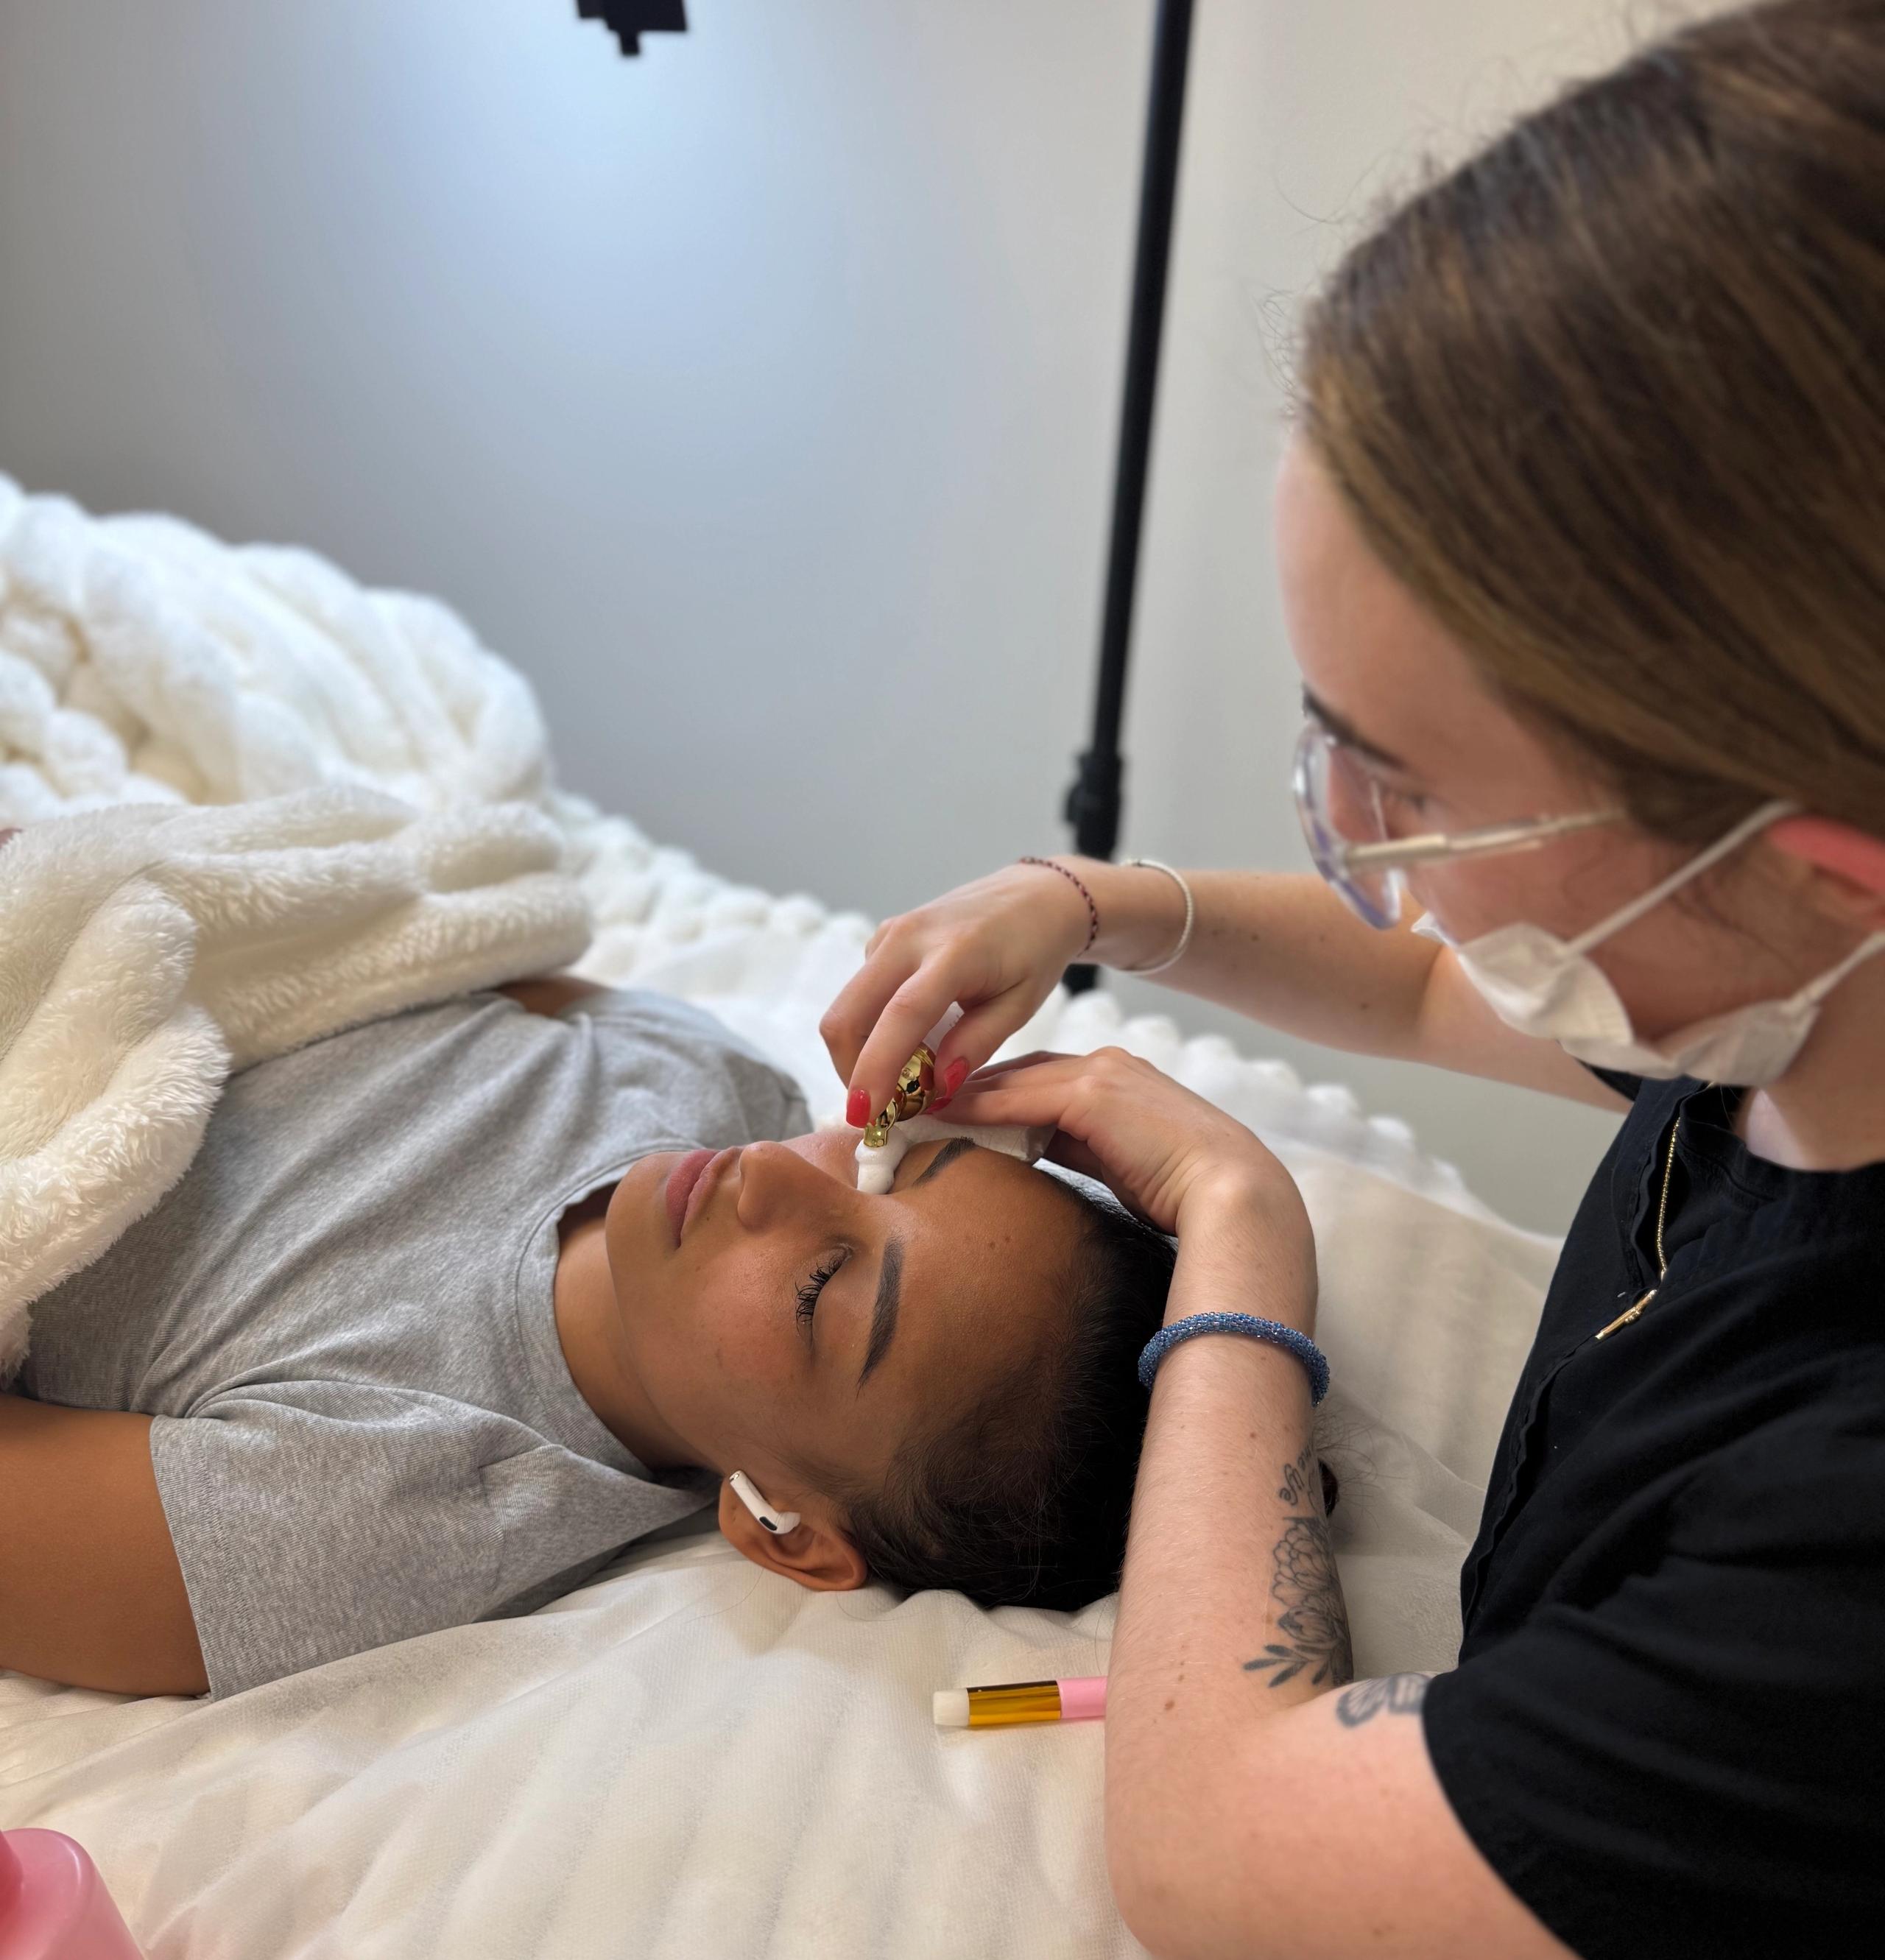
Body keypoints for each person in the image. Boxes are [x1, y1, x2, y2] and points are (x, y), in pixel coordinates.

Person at [822, 3, 1885, 1953]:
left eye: (1407, 790)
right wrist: (1096, 900)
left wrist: (1235, 1222)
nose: (1354, 838)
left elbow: (1214, 1851)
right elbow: (1417, 994)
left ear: (1815, 867)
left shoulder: (1836, 1562)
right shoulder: (1784, 1022)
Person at [0, 973, 1175, 1701]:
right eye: (893, 1159)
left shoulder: (399, 1494)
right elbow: (399, 936)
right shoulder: (711, 1073)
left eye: (822, 1286)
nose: (773, 1170)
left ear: (790, 1532)